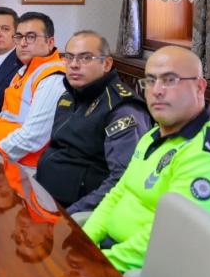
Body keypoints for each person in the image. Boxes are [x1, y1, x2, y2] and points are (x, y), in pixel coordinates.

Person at [82, 46, 210, 273]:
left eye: (170, 80)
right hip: (112, 253)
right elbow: (118, 194)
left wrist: (100, 263)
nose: (157, 90)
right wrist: (84, 243)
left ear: (199, 87)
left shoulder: (205, 155)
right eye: (150, 80)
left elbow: (171, 236)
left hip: (148, 272)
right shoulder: (152, 136)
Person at [36, 31, 151, 213]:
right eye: (69, 57)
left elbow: (123, 179)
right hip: (44, 195)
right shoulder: (69, 96)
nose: (74, 65)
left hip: (76, 211)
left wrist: (72, 215)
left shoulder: (121, 108)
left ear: (106, 64)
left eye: (86, 58)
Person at [0, 12, 66, 171]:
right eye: (19, 37)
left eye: (30, 37)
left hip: (24, 169)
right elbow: (3, 116)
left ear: (50, 42)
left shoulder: (53, 78)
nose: (22, 43)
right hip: (2, 158)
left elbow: (33, 136)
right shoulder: (25, 71)